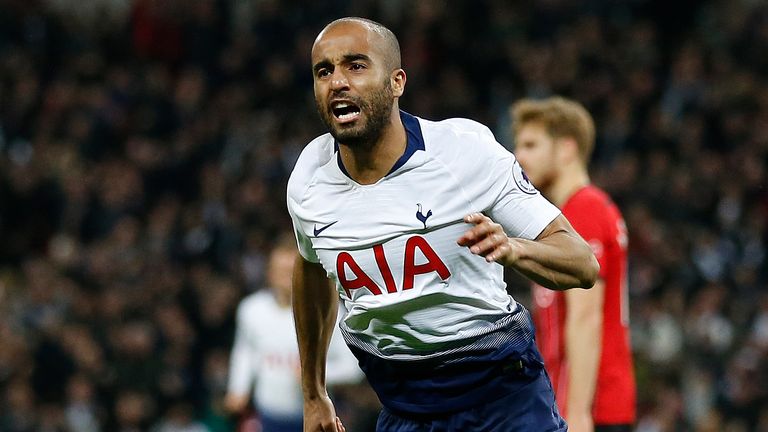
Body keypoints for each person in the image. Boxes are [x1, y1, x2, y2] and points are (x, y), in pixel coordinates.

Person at [287, 17, 599, 432]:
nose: (337, 81)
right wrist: (314, 394)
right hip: (406, 409)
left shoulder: (465, 153)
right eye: (323, 71)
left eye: (356, 66)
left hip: (502, 401)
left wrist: (514, 248)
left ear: (396, 82)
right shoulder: (309, 180)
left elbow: (582, 264)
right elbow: (310, 267)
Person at [511, 97, 637, 432]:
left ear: (566, 149)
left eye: (531, 145)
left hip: (591, 405)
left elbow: (585, 316)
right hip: (583, 399)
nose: (519, 156)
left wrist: (578, 413)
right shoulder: (572, 213)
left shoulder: (584, 210)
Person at [224, 235, 362, 432]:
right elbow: (245, 352)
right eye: (280, 272)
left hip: (313, 419)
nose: (286, 279)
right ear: (269, 273)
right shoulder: (251, 310)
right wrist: (237, 389)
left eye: (291, 272)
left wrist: (313, 375)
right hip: (267, 416)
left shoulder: (327, 311)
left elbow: (352, 368)